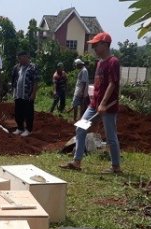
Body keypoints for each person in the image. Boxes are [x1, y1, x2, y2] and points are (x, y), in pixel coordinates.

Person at [60, 32, 122, 173]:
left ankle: (116, 166)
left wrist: (103, 103)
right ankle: (76, 162)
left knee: (111, 136)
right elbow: (99, 84)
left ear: (105, 45)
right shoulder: (99, 62)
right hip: (94, 105)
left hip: (107, 107)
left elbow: (113, 84)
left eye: (95, 45)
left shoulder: (113, 62)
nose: (93, 48)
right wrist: (94, 101)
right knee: (80, 128)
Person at [11, 51, 40, 137]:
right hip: (18, 94)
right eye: (18, 59)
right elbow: (15, 80)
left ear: (26, 57)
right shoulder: (17, 67)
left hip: (28, 94)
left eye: (21, 58)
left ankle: (29, 129)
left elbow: (36, 81)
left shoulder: (33, 67)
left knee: (28, 113)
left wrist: (33, 94)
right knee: (18, 112)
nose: (19, 60)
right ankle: (20, 128)